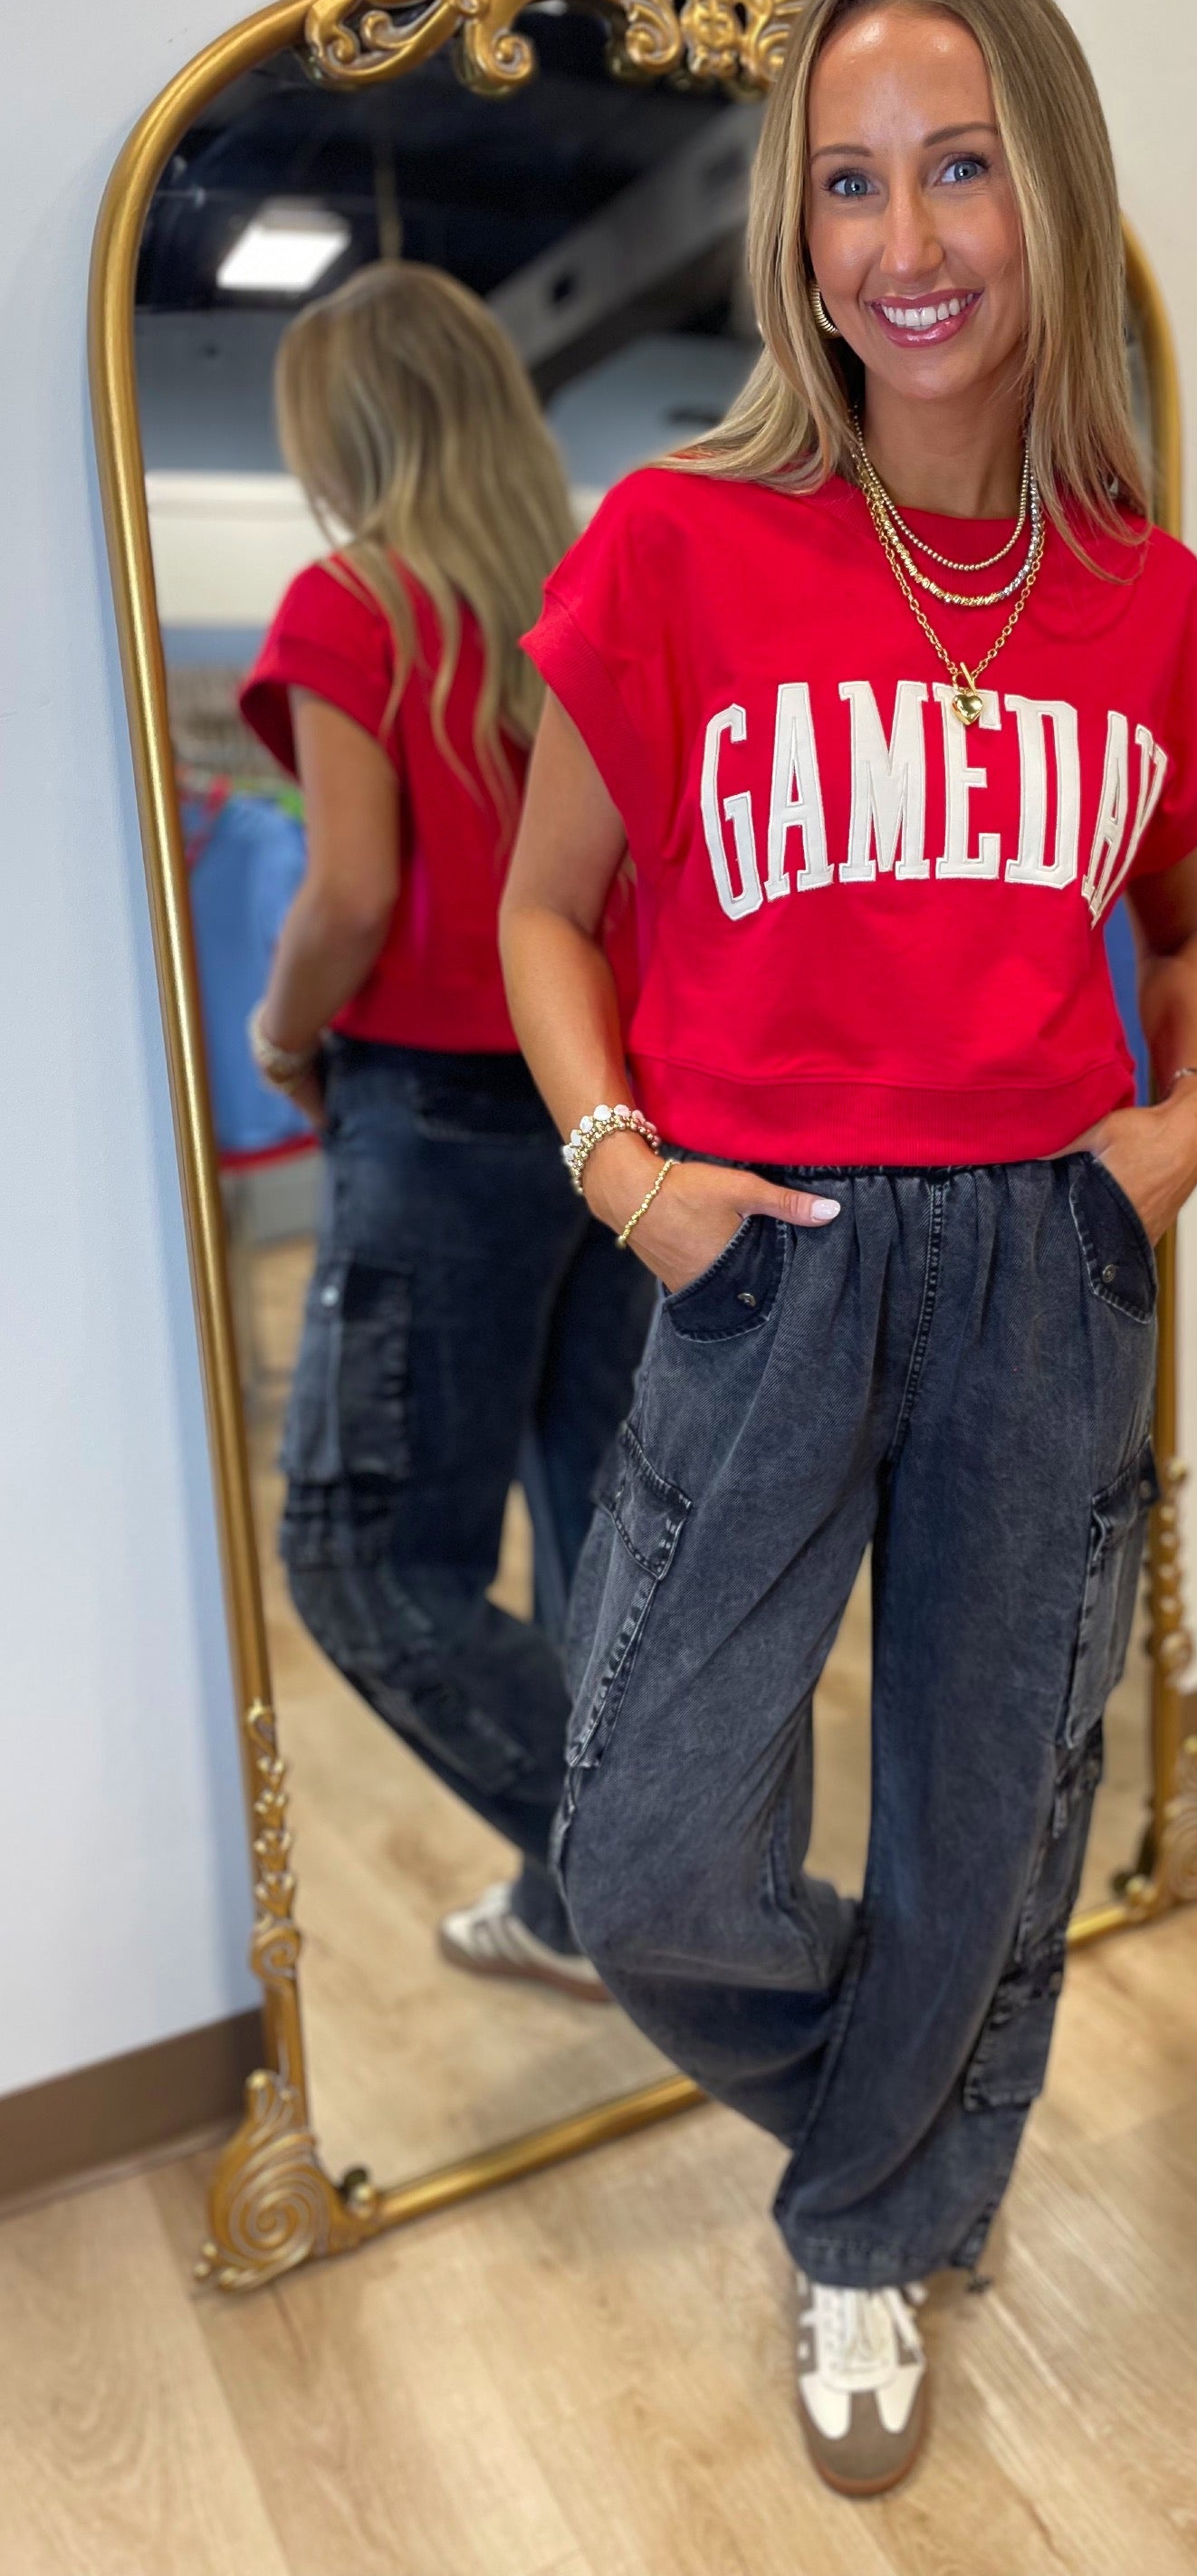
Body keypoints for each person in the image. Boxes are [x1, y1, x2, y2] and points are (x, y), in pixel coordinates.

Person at [501, 0, 1197, 2491]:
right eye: (848, 183)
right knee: (643, 1856)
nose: (906, 240)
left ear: (1049, 194)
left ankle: (868, 2229)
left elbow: (1187, 927)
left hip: (1049, 1255)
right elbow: (541, 912)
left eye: (960, 170)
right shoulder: (678, 551)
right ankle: (914, 2113)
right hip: (766, 1255)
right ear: (793, 233)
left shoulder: (1141, 597)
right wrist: (626, 1174)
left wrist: (1193, 1117)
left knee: (988, 1801)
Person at [240, 262, 654, 2003]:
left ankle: (644, 1875)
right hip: (607, 1106)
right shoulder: (587, 603)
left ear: (341, 432)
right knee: (601, 1534)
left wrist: (279, 1036)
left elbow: (350, 890)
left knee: (363, 1561)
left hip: (437, 1111)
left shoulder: (354, 604)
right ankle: (589, 1908)